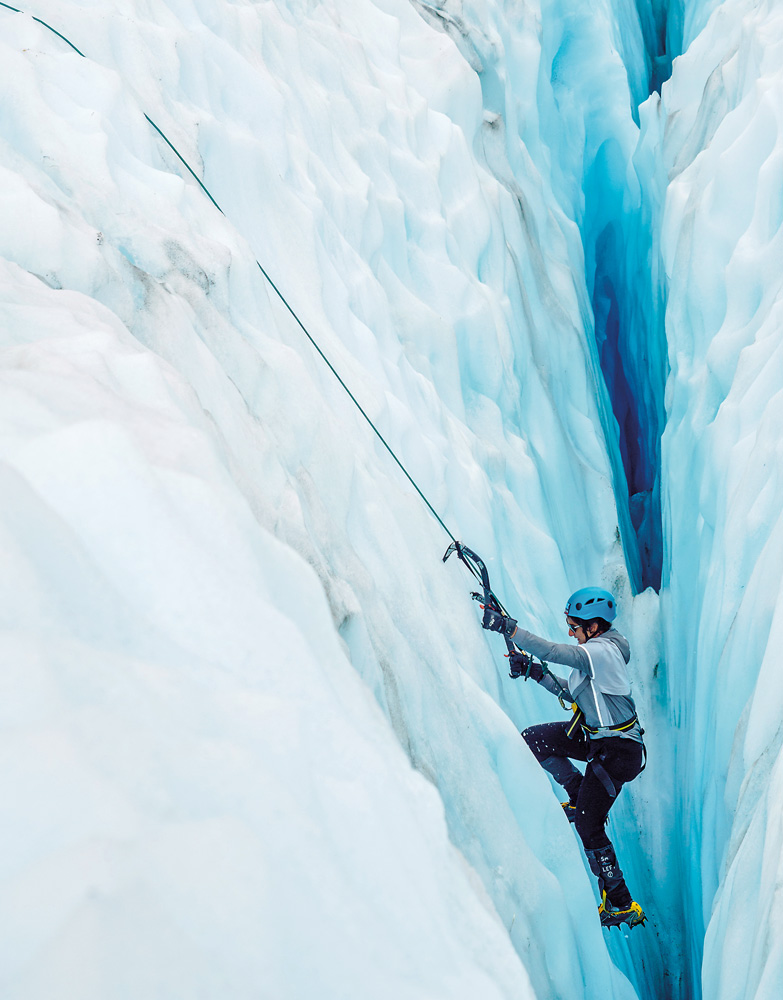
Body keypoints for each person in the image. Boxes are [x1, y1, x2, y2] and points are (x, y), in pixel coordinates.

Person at [482, 586, 646, 929]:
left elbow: (556, 651)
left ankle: (620, 902)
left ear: (594, 626)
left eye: (575, 625)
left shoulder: (604, 652)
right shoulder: (596, 653)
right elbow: (574, 693)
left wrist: (509, 630)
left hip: (618, 752)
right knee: (535, 740)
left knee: (589, 824)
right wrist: (534, 672)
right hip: (594, 737)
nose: (570, 631)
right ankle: (577, 794)